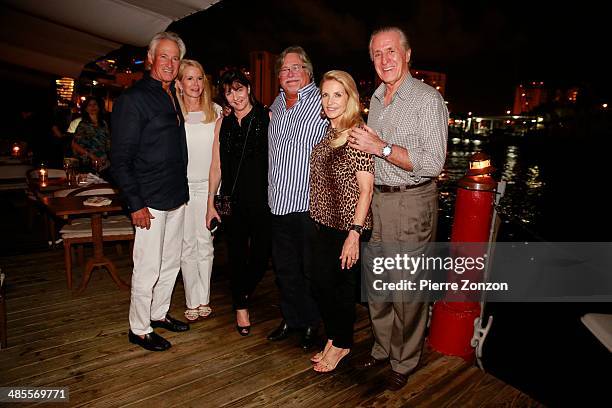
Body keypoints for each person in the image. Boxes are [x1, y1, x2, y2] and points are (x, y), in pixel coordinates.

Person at [349, 27, 448, 390]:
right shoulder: (375, 99)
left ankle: (404, 359)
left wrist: (382, 148)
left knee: (406, 286)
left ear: (407, 55)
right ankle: (383, 344)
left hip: (411, 200)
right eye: (377, 53)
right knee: (377, 284)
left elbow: (434, 162)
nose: (384, 60)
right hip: (377, 198)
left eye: (391, 51)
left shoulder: (427, 100)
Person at [111, 31, 190, 352]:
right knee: (148, 267)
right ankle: (139, 327)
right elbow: (120, 159)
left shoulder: (171, 95)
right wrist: (135, 204)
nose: (170, 63)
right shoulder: (133, 99)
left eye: (175, 58)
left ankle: (158, 313)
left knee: (171, 263)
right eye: (165, 56)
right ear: (151, 58)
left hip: (176, 196)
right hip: (149, 201)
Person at [309, 70, 374, 372]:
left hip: (348, 227)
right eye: (326, 94)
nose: (330, 101)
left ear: (349, 98)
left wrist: (354, 234)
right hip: (323, 224)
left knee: (341, 290)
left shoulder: (359, 134)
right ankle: (335, 337)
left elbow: (366, 189)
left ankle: (342, 343)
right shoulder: (330, 133)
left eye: (338, 94)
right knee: (321, 283)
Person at [267, 46, 328, 350]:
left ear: (308, 72)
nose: (290, 74)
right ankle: (291, 318)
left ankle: (310, 322)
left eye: (296, 68)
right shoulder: (275, 106)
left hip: (308, 205)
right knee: (285, 267)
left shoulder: (322, 102)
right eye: (284, 69)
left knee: (309, 270)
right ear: (278, 77)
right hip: (278, 202)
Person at [206, 69, 271, 336]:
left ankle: (241, 291)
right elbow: (216, 166)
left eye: (239, 89)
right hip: (230, 200)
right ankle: (240, 306)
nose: (236, 97)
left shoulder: (268, 118)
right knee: (235, 254)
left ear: (248, 88)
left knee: (261, 254)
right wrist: (211, 202)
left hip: (263, 199)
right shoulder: (223, 123)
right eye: (229, 92)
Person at [175, 59, 221, 322]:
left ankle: (204, 298)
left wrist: (213, 196)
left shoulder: (215, 112)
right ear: (179, 84)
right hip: (180, 188)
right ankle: (192, 301)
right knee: (186, 245)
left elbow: (217, 159)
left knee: (205, 244)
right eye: (189, 78)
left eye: (199, 78)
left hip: (207, 187)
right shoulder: (173, 113)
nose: (195, 84)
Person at [72, 97, 111, 173]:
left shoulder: (104, 123)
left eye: (95, 104)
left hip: (104, 161)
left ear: (99, 107)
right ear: (86, 109)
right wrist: (92, 157)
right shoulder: (83, 124)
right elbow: (74, 144)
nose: (93, 107)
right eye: (90, 105)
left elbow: (108, 142)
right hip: (89, 162)